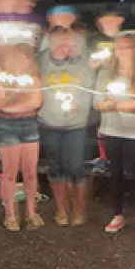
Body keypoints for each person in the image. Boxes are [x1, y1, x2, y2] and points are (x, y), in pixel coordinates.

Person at [95, 32, 135, 236]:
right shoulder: (106, 72)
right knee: (115, 173)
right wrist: (121, 104)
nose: (122, 51)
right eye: (118, 47)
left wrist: (112, 104)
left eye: (127, 47)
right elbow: (97, 102)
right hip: (111, 129)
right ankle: (117, 214)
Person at [38, 23, 93, 226]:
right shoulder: (41, 61)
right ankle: (61, 210)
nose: (65, 47)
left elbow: (91, 90)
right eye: (59, 42)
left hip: (75, 125)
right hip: (49, 123)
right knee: (55, 167)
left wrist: (79, 105)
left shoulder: (83, 64)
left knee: (76, 167)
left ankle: (79, 209)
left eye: (68, 43)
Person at [0, 45, 44, 231]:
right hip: (8, 126)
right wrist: (18, 97)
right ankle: (10, 214)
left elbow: (35, 102)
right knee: (10, 173)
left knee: (30, 172)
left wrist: (11, 103)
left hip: (29, 124)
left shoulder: (34, 80)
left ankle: (31, 213)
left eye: (23, 58)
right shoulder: (0, 80)